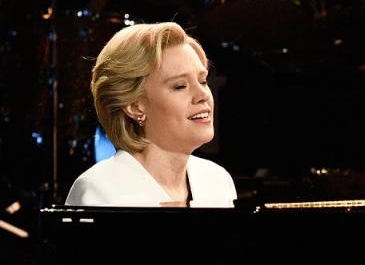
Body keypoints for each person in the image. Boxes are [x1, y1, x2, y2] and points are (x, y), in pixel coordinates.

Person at [64, 22, 237, 207]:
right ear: (134, 106)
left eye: (202, 81)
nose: (203, 95)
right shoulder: (98, 191)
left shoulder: (218, 182)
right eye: (180, 86)